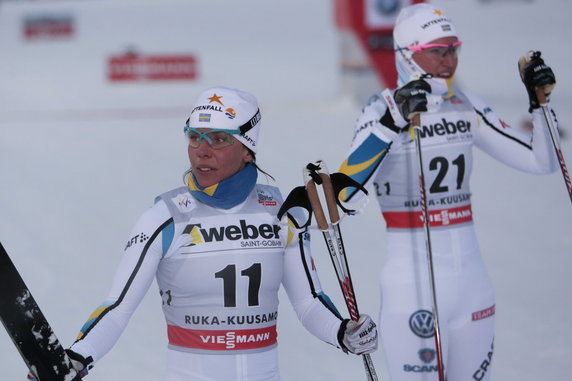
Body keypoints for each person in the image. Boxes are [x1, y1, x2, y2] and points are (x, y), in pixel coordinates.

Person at [28, 87, 378, 381]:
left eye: (219, 139)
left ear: (247, 149)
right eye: (194, 136)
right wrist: (76, 357)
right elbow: (117, 309)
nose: (201, 149)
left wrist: (343, 333)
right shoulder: (164, 217)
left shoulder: (281, 213)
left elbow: (309, 302)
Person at [336, 4, 558, 381]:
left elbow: (541, 161)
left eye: (454, 48)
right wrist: (391, 126)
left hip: (472, 286)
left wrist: (540, 104)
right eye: (436, 51)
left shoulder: (464, 104)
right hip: (412, 291)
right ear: (408, 53)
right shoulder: (380, 109)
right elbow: (344, 196)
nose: (449, 59)